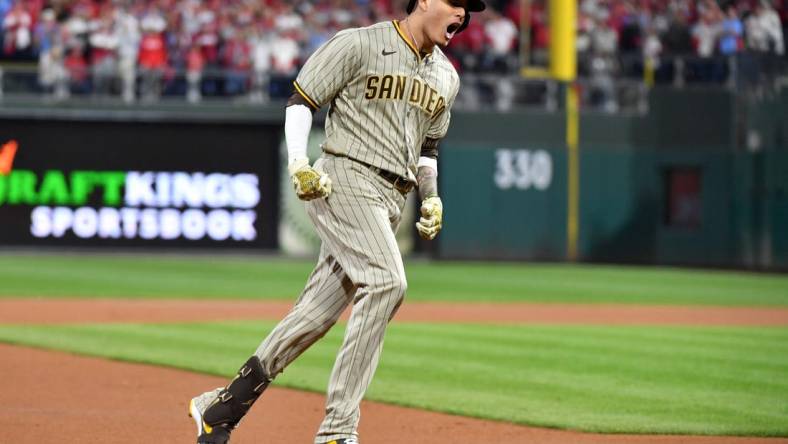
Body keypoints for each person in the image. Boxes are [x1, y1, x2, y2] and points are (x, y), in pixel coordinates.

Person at [187, 0, 485, 443]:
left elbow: (429, 149)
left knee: (314, 315)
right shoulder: (360, 43)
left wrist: (432, 196)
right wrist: (299, 163)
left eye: (470, 8)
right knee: (387, 282)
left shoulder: (447, 75)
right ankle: (337, 431)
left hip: (393, 196)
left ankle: (221, 407)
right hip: (346, 175)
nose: (464, 14)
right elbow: (302, 99)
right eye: (457, 3)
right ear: (423, 1)